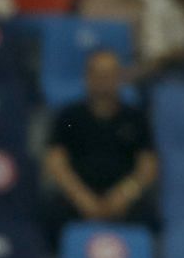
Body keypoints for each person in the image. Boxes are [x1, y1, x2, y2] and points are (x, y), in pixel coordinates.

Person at [41, 49, 160, 243]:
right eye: (99, 73)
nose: (104, 80)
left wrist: (124, 195)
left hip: (123, 198)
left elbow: (148, 166)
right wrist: (82, 198)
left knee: (148, 216)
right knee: (52, 214)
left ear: (119, 77)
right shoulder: (70, 117)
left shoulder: (135, 118)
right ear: (88, 76)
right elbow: (55, 161)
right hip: (77, 197)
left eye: (110, 74)